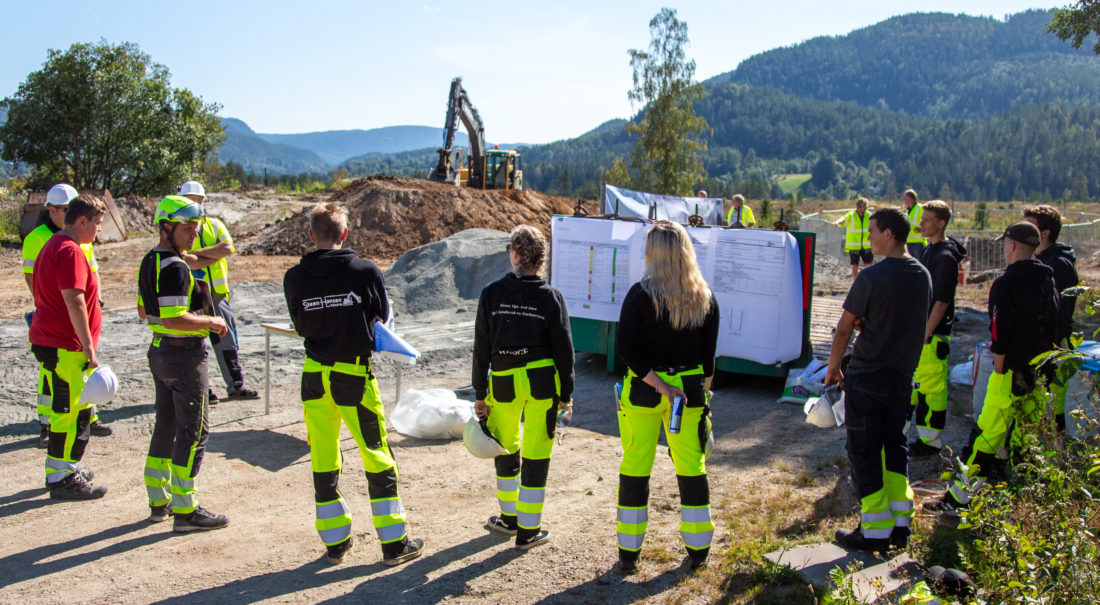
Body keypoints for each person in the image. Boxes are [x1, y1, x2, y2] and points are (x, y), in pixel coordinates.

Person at [283, 202, 423, 566]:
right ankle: (394, 542)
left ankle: (335, 542)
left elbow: (299, 326)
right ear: (344, 234)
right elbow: (384, 319)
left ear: (311, 236)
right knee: (377, 455)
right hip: (353, 378)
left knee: (323, 456)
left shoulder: (294, 277)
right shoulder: (364, 271)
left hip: (314, 376)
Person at [614, 221, 719, 574]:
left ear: (652, 253)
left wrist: (660, 386)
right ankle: (699, 548)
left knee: (635, 464)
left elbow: (626, 350)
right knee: (692, 465)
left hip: (644, 388)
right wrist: (702, 399)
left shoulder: (639, 295)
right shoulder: (704, 297)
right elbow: (708, 361)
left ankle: (629, 553)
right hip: (688, 392)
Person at [930, 222, 1058, 511]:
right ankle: (1027, 497)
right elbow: (1054, 322)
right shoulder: (1047, 278)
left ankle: (959, 498)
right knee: (1027, 433)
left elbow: (1001, 330)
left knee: (985, 435)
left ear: (1011, 245)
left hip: (1010, 371)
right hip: (1039, 370)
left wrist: (999, 368)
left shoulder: (1006, 283)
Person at [826, 207, 931, 553]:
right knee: (894, 450)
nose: (868, 237)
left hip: (868, 376)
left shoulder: (870, 277)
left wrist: (833, 368)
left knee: (864, 451)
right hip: (902, 378)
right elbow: (902, 318)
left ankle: (873, 529)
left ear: (888, 234)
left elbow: (843, 327)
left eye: (872, 231)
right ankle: (901, 525)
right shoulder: (922, 275)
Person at [472, 225, 575, 551]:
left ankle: (509, 519)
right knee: (536, 453)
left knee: (504, 446)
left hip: (503, 381)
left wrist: (478, 392)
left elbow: (481, 346)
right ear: (542, 260)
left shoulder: (491, 293)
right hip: (543, 382)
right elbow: (564, 351)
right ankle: (529, 531)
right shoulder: (551, 298)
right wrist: (566, 395)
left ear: (514, 255)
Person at [138, 196, 231, 531]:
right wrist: (210, 322)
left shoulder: (151, 260)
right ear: (167, 227)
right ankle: (186, 510)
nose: (194, 233)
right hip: (183, 357)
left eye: (195, 227)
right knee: (194, 430)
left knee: (165, 425)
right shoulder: (176, 267)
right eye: (188, 228)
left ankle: (158, 500)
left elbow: (144, 311)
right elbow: (176, 318)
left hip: (160, 352)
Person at [29, 194, 111, 500]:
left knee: (74, 408)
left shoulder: (55, 245)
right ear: (81, 221)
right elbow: (74, 300)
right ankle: (61, 478)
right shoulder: (69, 251)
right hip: (65, 345)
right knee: (68, 411)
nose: (98, 231)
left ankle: (66, 467)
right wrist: (89, 347)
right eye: (97, 224)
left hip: (56, 342)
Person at [178, 181, 258, 402]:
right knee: (196, 342)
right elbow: (187, 261)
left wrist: (198, 256)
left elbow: (227, 248)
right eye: (190, 200)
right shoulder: (181, 230)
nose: (195, 204)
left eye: (198, 200)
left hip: (218, 294)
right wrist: (208, 256)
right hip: (193, 297)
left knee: (226, 339)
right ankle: (203, 389)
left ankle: (235, 385)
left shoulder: (214, 225)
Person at [908, 201, 967, 456]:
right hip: (921, 333)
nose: (922, 224)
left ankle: (930, 442)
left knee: (931, 390)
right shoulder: (929, 250)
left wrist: (926, 333)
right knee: (915, 387)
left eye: (927, 219)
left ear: (941, 223)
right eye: (922, 219)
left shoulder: (944, 256)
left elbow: (942, 300)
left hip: (931, 336)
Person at [1023, 205, 1079, 432]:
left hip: (1053, 346)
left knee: (1051, 402)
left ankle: (1055, 451)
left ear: (1044, 233)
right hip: (1040, 344)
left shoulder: (1058, 264)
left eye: (1031, 226)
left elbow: (1060, 311)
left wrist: (1050, 345)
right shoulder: (1040, 259)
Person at [834, 197, 873, 279]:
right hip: (854, 245)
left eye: (866, 207)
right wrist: (837, 222)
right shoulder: (851, 215)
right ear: (857, 207)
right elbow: (843, 219)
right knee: (855, 265)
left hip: (866, 244)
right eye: (862, 207)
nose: (864, 209)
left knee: (869, 264)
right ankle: (855, 283)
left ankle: (865, 279)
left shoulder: (868, 215)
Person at [903, 189, 926, 259]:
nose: (904, 200)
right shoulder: (907, 210)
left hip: (918, 241)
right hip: (909, 241)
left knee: (920, 262)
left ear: (910, 198)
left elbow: (926, 221)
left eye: (905, 198)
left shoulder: (920, 208)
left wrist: (922, 229)